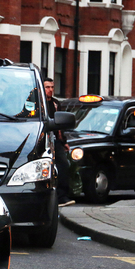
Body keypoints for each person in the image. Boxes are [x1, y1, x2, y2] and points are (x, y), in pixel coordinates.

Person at [44, 78, 75, 207]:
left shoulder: (56, 103)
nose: (50, 90)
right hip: (43, 141)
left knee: (63, 166)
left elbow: (60, 125)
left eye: (52, 87)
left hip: (56, 141)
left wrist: (64, 142)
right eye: (47, 87)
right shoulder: (39, 103)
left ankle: (62, 197)